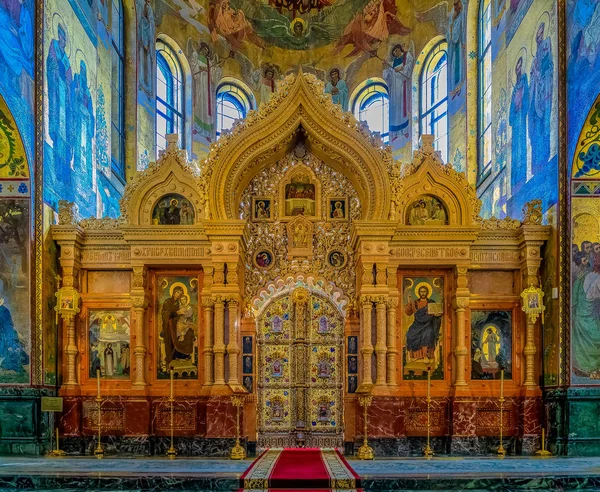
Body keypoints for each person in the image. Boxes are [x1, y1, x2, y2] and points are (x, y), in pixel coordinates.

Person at [529, 22, 554, 173]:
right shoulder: (533, 61)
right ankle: (536, 165)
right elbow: (532, 77)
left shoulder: (547, 47)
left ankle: (544, 159)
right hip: (535, 98)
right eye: (537, 34)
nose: (539, 36)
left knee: (544, 127)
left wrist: (541, 75)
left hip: (544, 95)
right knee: (535, 131)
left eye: (540, 33)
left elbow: (549, 66)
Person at [384, 43, 414, 144]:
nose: (395, 53)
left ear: (399, 49)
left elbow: (409, 66)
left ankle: (405, 131)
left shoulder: (406, 56)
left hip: (402, 86)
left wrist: (401, 68)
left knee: (402, 108)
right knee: (395, 110)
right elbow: (388, 74)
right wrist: (386, 66)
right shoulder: (393, 62)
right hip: (394, 90)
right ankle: (395, 134)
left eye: (396, 51)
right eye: (393, 52)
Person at [404, 285, 442, 361]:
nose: (423, 293)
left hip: (428, 323)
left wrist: (436, 314)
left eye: (424, 291)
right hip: (417, 324)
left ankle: (425, 356)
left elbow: (438, 314)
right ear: (419, 293)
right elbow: (408, 313)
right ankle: (415, 356)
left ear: (427, 292)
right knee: (410, 334)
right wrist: (409, 302)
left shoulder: (431, 302)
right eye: (421, 291)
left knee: (427, 333)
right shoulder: (415, 303)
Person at [509, 56, 530, 193]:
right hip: (516, 122)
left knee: (521, 147)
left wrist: (521, 106)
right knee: (515, 150)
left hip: (521, 120)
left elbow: (527, 97)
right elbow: (511, 108)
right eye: (517, 67)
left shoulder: (524, 83)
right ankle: (515, 181)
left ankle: (522, 178)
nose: (518, 69)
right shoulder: (515, 89)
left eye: (520, 66)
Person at [161, 286, 193, 364]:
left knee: (190, 333)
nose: (179, 294)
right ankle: (174, 357)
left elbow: (187, 315)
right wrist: (177, 313)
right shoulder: (168, 301)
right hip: (169, 325)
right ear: (173, 293)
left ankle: (184, 355)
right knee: (174, 337)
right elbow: (165, 314)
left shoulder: (179, 303)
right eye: (177, 292)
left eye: (180, 293)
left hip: (179, 324)